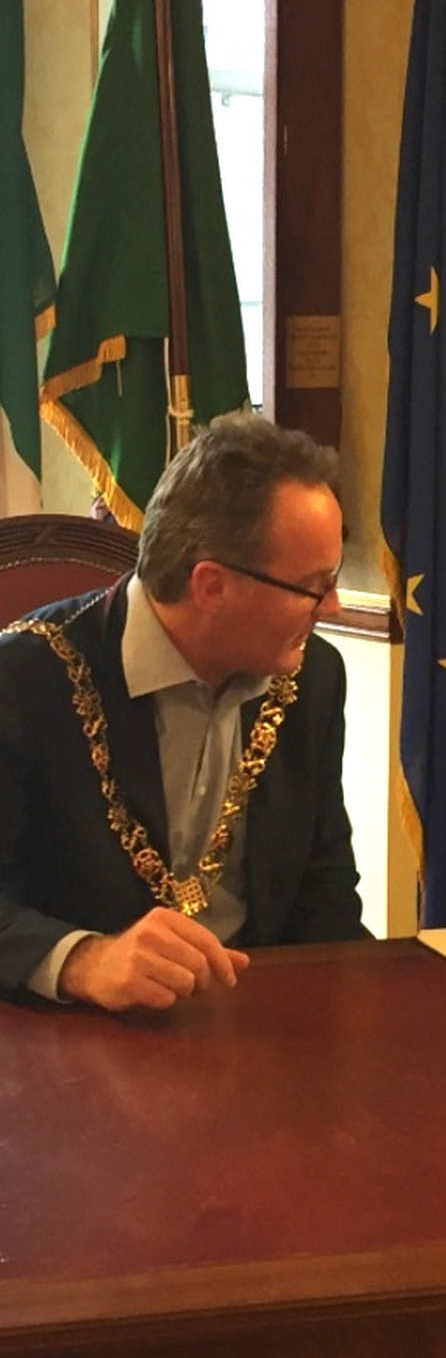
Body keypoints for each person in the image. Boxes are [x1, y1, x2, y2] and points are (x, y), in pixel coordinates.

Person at [0, 410, 367, 1012]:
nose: (330, 607)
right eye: (313, 585)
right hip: (73, 1044)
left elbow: (323, 894)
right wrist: (85, 960)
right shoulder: (22, 678)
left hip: (261, 1031)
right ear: (212, 586)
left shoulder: (314, 678)